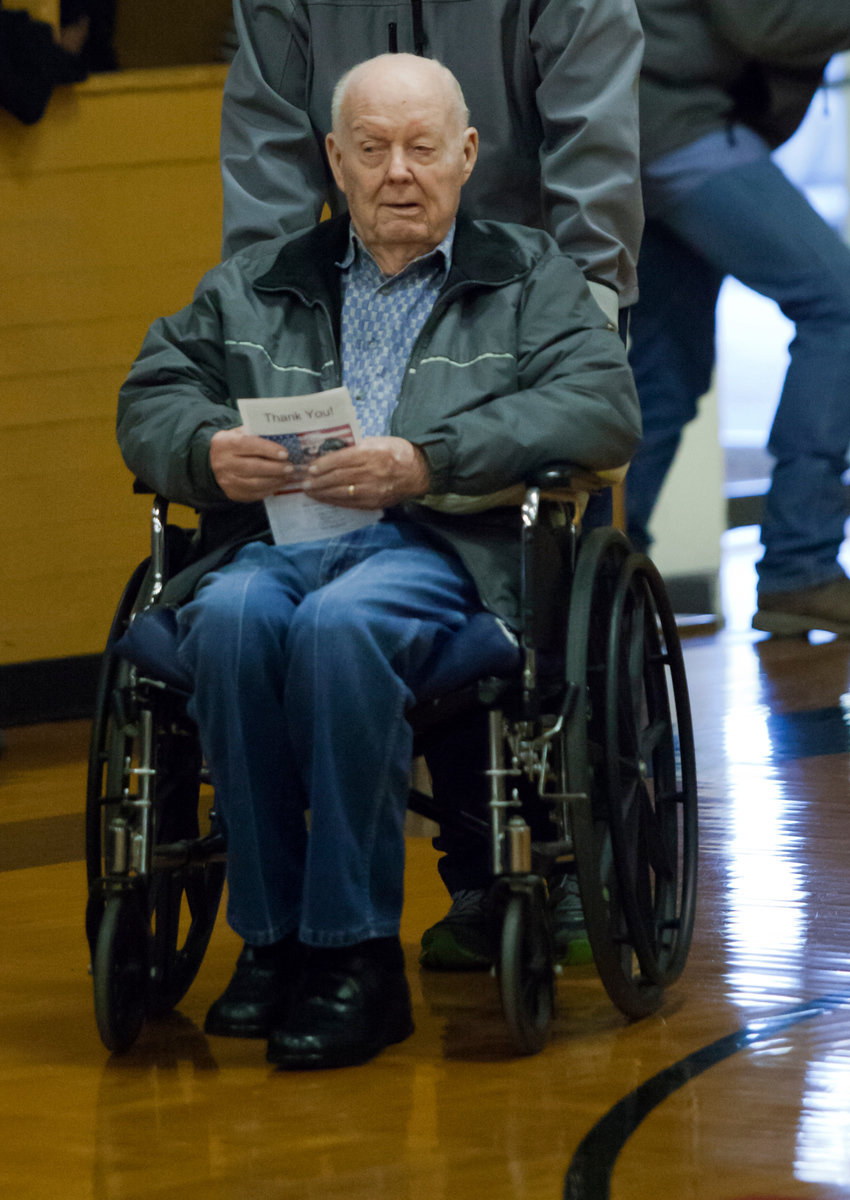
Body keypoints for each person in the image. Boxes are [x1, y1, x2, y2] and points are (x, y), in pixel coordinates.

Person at [117, 53, 640, 1069]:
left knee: (339, 626)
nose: (397, 172)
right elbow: (154, 392)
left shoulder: (528, 276)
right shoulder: (260, 282)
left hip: (438, 547)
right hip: (278, 540)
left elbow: (599, 405)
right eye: (371, 149)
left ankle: (354, 956)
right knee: (225, 620)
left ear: (465, 156)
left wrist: (424, 461)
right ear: (334, 162)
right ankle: (268, 947)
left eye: (420, 148)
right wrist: (203, 450)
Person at [217, 0, 645, 969]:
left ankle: (538, 859)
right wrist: (258, 324)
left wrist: (573, 336)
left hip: (519, 292)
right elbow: (266, 156)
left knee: (513, 570)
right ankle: (360, 907)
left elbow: (591, 146)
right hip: (363, 281)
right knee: (321, 591)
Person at [626, 1, 850, 638]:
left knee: (663, 378)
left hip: (651, 124)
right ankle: (800, 564)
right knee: (843, 303)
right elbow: (765, 23)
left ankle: (602, 598)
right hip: (674, 122)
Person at [219, 0, 644, 331]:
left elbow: (592, 133)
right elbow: (268, 146)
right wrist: (260, 310)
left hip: (527, 288)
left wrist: (592, 297)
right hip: (358, 282)